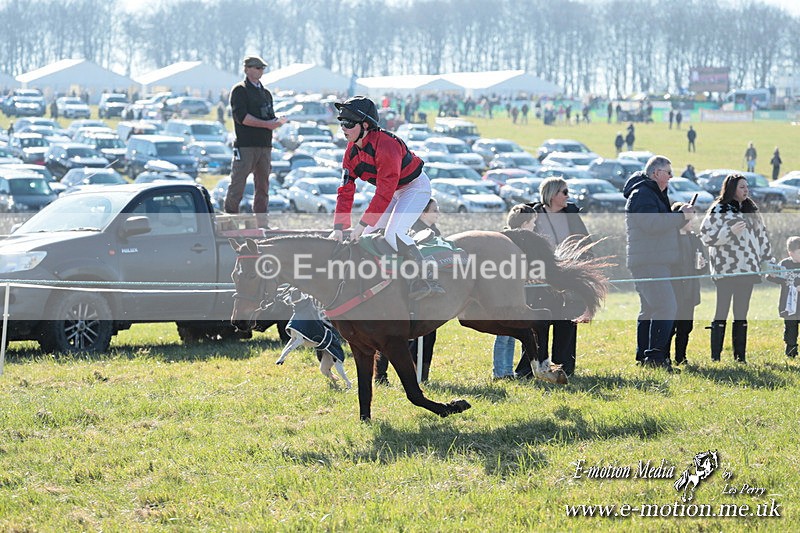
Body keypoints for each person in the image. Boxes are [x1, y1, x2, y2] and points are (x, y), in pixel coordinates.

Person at [329, 95, 444, 301]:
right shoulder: (351, 152)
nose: (343, 128)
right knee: (367, 238)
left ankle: (426, 279)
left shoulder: (386, 146)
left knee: (394, 234)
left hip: (415, 188)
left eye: (348, 123)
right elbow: (345, 191)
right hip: (393, 191)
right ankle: (378, 281)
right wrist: (339, 228)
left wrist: (360, 225)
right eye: (341, 123)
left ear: (365, 125)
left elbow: (383, 193)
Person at [623, 156, 695, 369]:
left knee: (650, 309)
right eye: (668, 172)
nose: (672, 176)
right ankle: (655, 358)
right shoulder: (643, 194)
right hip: (649, 261)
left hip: (653, 259)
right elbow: (651, 224)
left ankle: (645, 357)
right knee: (666, 306)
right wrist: (680, 216)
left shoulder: (653, 193)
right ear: (656, 173)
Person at [700, 173, 773, 363]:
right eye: (742, 187)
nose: (746, 190)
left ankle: (740, 357)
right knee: (722, 310)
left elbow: (762, 236)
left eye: (747, 187)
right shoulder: (718, 209)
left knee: (742, 312)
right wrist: (729, 232)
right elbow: (706, 237)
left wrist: (766, 258)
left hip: (748, 269)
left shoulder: (751, 210)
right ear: (732, 189)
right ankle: (715, 357)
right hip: (726, 269)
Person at [376, 199, 442, 384]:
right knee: (393, 334)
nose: (438, 213)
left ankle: (421, 373)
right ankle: (381, 374)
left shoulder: (434, 232)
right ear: (422, 213)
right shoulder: (409, 230)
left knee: (428, 334)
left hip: (424, 291)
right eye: (434, 210)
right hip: (405, 290)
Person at [529, 177, 591, 376]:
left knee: (568, 319)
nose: (568, 196)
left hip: (568, 275)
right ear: (552, 194)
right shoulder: (534, 215)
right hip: (543, 276)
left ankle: (565, 366)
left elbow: (585, 241)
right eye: (564, 192)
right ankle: (533, 367)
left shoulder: (571, 214)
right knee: (540, 321)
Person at [224, 56, 287, 227]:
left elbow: (268, 116)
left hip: (265, 146)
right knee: (238, 184)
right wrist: (267, 124)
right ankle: (229, 221)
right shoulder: (240, 90)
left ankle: (261, 223)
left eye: (262, 68)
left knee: (263, 186)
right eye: (256, 67)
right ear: (246, 69)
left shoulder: (265, 93)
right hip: (246, 145)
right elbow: (242, 117)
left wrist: (276, 122)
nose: (260, 71)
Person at [492, 203, 538, 379]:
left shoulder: (522, 240)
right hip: (504, 294)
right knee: (503, 334)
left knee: (512, 334)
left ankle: (507, 371)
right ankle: (499, 372)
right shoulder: (505, 241)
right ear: (525, 223)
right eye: (533, 222)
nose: (534, 226)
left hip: (516, 293)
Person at [668, 202, 706, 365]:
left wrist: (702, 266)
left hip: (689, 291)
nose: (693, 222)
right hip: (674, 291)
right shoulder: (670, 240)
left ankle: (681, 357)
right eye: (690, 219)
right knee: (670, 327)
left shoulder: (695, 240)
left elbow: (701, 268)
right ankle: (664, 356)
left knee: (686, 327)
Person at [767, 236, 800, 358]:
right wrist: (771, 275)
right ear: (790, 253)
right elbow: (773, 277)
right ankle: (791, 351)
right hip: (789, 304)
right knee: (791, 328)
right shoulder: (785, 264)